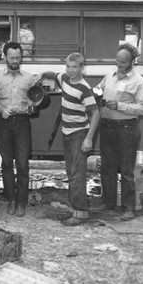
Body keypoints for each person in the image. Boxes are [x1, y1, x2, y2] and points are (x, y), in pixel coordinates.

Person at [34, 53, 100, 226]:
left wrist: (89, 138)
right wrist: (41, 75)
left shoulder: (84, 88)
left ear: (81, 68)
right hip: (67, 133)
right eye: (68, 67)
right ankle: (75, 210)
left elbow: (95, 113)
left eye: (74, 67)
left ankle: (80, 214)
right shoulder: (64, 78)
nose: (70, 71)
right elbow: (52, 74)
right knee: (71, 172)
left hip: (79, 134)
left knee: (77, 174)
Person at [92, 43, 143, 221]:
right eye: (117, 61)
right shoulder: (110, 75)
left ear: (132, 61)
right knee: (107, 167)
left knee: (126, 169)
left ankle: (128, 207)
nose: (119, 64)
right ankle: (108, 203)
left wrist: (120, 106)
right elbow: (99, 88)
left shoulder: (139, 81)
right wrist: (97, 93)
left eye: (123, 62)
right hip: (107, 126)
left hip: (126, 128)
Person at [0, 41, 35, 217]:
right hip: (3, 123)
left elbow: (34, 102)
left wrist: (31, 107)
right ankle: (11, 200)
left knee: (23, 164)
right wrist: (1, 109)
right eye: (11, 57)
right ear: (5, 57)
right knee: (6, 163)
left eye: (18, 57)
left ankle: (22, 202)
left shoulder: (29, 78)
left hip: (23, 123)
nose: (15, 60)